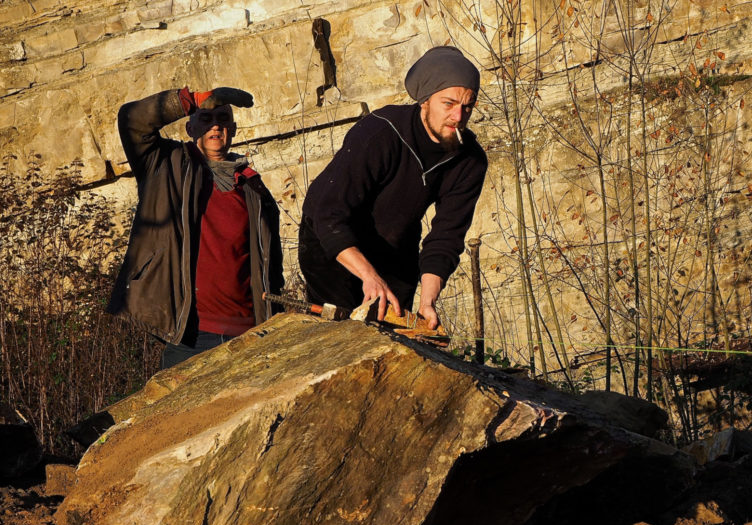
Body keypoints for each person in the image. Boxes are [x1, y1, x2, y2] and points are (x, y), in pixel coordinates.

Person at [299, 46, 488, 329]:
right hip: (333, 243)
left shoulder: (469, 160)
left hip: (395, 247)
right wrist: (369, 276)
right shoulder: (379, 134)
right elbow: (328, 215)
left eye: (467, 106)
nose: (458, 116)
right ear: (425, 100)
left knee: (397, 330)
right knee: (345, 336)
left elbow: (446, 238)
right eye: (448, 104)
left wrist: (428, 301)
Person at [107, 85, 284, 369]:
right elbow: (132, 120)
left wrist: (273, 322)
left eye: (223, 119)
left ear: (234, 129)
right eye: (206, 119)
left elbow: (270, 267)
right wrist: (190, 100)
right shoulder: (166, 165)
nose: (216, 126)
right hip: (191, 337)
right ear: (189, 128)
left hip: (249, 334)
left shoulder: (252, 187)